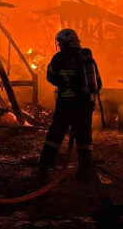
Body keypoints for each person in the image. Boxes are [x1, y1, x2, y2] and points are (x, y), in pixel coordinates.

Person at [38, 28, 102, 180]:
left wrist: (64, 82)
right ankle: (85, 171)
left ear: (66, 43)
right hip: (85, 105)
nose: (59, 45)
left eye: (60, 42)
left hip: (66, 105)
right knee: (84, 138)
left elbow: (51, 76)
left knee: (55, 135)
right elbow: (97, 84)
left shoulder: (59, 58)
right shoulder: (87, 58)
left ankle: (45, 166)